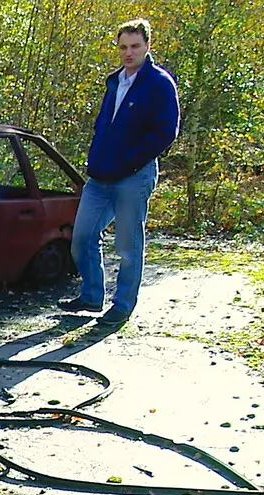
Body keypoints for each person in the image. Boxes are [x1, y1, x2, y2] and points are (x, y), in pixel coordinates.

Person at [60, 18, 180, 325]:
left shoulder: (159, 83)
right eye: (123, 47)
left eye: (135, 46)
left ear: (147, 46)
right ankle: (91, 296)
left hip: (134, 176)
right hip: (100, 176)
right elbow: (104, 126)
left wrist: (130, 161)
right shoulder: (115, 81)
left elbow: (166, 131)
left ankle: (123, 305)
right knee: (82, 236)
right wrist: (96, 158)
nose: (128, 53)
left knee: (128, 244)